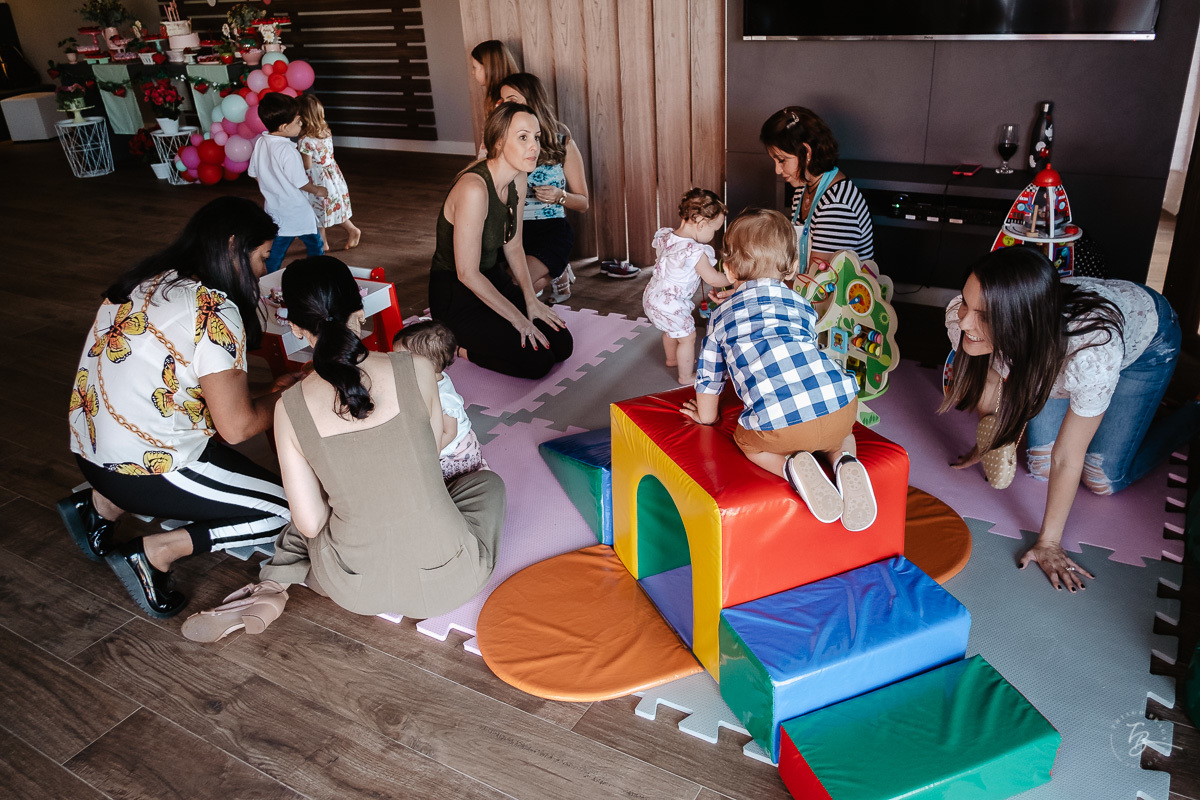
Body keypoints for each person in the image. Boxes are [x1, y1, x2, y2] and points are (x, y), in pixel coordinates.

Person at [182, 257, 506, 640]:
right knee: (488, 484)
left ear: (297, 329)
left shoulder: (288, 407)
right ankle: (279, 583)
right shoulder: (418, 368)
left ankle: (272, 586)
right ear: (361, 312)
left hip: (354, 589)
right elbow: (430, 460)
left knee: (315, 509)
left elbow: (311, 524)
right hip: (452, 578)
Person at [58, 197, 293, 619]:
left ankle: (97, 506)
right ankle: (155, 553)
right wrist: (287, 396)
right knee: (283, 513)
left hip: (89, 450)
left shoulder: (147, 279)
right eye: (260, 258)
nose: (262, 270)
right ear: (234, 245)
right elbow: (237, 427)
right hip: (146, 468)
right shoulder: (213, 310)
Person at [941, 246, 1198, 592]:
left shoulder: (1092, 355)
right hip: (1050, 350)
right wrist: (992, 441)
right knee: (1039, 464)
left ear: (1019, 322)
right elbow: (993, 386)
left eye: (982, 315)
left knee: (1101, 477)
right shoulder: (967, 319)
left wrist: (1048, 541)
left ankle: (1192, 413)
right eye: (966, 304)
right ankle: (1114, 409)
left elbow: (1069, 455)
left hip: (1145, 347)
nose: (965, 321)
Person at [681, 209, 876, 531]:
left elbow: (710, 376)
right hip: (841, 406)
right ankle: (844, 460)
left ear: (728, 269)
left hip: (779, 425)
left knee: (748, 442)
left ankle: (793, 469)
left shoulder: (721, 317)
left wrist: (706, 417)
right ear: (792, 268)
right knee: (841, 435)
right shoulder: (801, 306)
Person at [428, 102, 573, 380]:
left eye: (536, 137)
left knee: (561, 345)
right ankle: (460, 349)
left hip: (492, 278)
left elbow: (514, 244)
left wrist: (531, 301)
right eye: (523, 137)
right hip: (456, 294)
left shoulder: (518, 177)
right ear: (497, 142)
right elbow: (466, 273)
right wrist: (518, 319)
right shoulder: (473, 189)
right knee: (537, 362)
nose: (534, 146)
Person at [498, 72, 592, 301]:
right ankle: (557, 272)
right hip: (510, 232)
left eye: (512, 100)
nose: (504, 106)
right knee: (522, 287)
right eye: (502, 101)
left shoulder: (562, 142)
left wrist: (560, 196)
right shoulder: (500, 141)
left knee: (511, 287)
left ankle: (554, 267)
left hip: (549, 230)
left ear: (532, 100)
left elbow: (583, 203)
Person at [759, 106, 874, 273]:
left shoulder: (835, 206)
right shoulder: (803, 188)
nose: (777, 170)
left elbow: (819, 285)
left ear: (806, 152)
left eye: (782, 160)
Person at [643, 188, 728, 384]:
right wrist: (733, 278)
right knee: (688, 337)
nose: (714, 234)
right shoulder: (695, 251)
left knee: (671, 330)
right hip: (671, 303)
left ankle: (672, 359)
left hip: (652, 297)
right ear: (701, 224)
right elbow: (713, 279)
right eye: (714, 230)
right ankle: (685, 376)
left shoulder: (667, 237)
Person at [393, 320, 489, 481]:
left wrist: (430, 453)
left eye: (401, 360)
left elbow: (450, 432)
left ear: (427, 365)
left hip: (456, 454)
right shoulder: (427, 377)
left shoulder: (444, 396)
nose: (394, 365)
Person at [249, 92, 328, 273]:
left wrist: (271, 184)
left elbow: (254, 173)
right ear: (284, 127)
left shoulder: (261, 143)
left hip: (274, 209)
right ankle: (319, 272)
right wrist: (318, 190)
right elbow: (301, 183)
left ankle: (265, 280)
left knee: (275, 250)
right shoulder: (287, 150)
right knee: (315, 244)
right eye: (298, 121)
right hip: (296, 210)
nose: (301, 124)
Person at [298, 93, 361, 252]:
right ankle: (330, 240)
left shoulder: (305, 140)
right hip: (332, 175)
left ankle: (333, 238)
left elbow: (307, 165)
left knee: (315, 210)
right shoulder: (325, 131)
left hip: (317, 179)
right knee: (328, 209)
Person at [469, 40, 519, 155]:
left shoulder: (503, 101)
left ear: (487, 68)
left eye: (474, 67)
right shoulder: (496, 95)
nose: (472, 72)